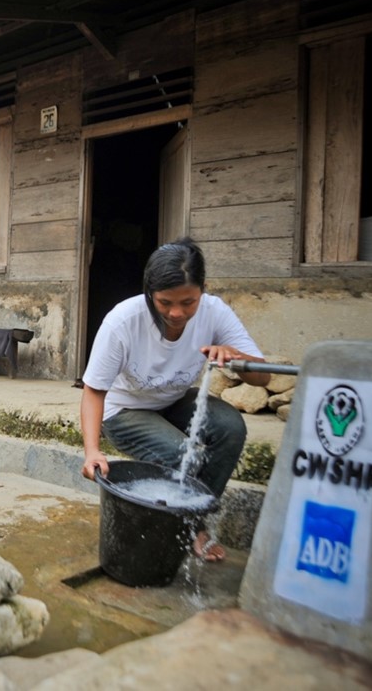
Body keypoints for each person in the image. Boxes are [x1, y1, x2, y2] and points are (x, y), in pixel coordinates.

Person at [79, 237, 270, 562]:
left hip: (173, 400)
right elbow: (94, 391)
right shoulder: (123, 322)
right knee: (185, 455)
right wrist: (92, 450)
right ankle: (177, 527)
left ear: (202, 290)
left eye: (188, 302)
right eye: (165, 302)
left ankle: (191, 524)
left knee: (230, 427)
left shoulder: (215, 312)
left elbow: (262, 377)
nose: (177, 312)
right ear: (149, 292)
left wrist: (236, 358)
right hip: (125, 410)